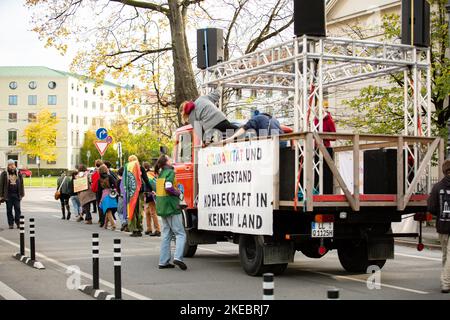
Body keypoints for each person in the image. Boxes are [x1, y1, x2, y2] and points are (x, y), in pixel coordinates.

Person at [155, 154, 187, 270]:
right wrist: (179, 193)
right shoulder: (170, 173)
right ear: (167, 162)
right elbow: (168, 187)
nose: (171, 159)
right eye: (170, 158)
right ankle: (178, 257)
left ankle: (163, 262)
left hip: (162, 206)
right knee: (180, 233)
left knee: (166, 235)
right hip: (171, 206)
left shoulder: (160, 174)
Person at [427, 159, 450, 294]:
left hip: (442, 225)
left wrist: (441, 214)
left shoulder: (437, 187)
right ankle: (446, 283)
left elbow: (431, 207)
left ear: (443, 171)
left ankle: (446, 280)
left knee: (446, 255)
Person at [125, 155, 153, 237]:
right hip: (140, 192)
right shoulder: (141, 168)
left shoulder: (128, 168)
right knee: (140, 210)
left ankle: (134, 229)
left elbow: (126, 181)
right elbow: (146, 179)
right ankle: (139, 228)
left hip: (132, 192)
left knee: (133, 210)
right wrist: (151, 189)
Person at [0, 160, 25, 229]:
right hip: (8, 195)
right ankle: (10, 223)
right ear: (8, 166)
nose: (12, 166)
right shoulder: (4, 174)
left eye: (13, 164)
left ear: (15, 165)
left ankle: (18, 222)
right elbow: (1, 185)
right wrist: (1, 196)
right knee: (9, 210)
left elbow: (22, 184)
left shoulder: (18, 173)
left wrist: (22, 194)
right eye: (10, 165)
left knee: (18, 209)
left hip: (17, 195)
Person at [96, 164, 118, 231]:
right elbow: (115, 184)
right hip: (112, 194)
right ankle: (105, 225)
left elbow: (99, 191)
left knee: (107, 210)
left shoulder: (99, 179)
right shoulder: (110, 177)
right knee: (109, 209)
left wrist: (99, 199)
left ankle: (113, 224)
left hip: (104, 195)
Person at [143, 161, 160, 237]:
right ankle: (149, 228)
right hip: (151, 193)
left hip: (150, 194)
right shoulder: (151, 173)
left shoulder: (147, 174)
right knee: (147, 212)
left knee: (153, 212)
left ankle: (157, 230)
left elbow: (149, 185)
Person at [91, 160, 103, 225]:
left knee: (99, 205)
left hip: (97, 190)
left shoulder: (95, 173)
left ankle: (101, 219)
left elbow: (92, 181)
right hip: (104, 190)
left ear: (96, 165)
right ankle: (106, 219)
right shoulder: (104, 171)